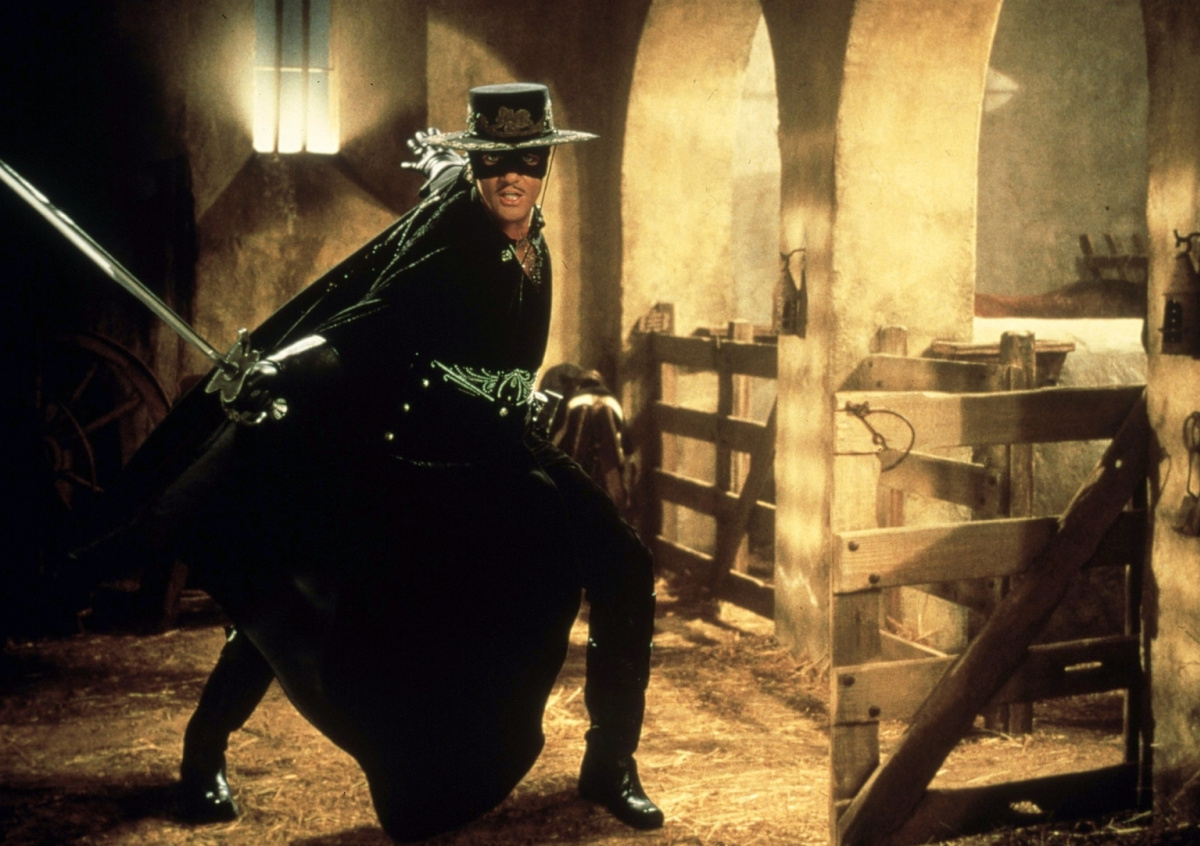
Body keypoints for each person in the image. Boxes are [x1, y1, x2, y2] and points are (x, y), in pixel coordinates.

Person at [90, 83, 663, 840]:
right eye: (493, 160)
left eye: (528, 158)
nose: (511, 175)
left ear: (548, 161)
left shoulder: (525, 232)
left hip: (503, 448)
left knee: (623, 565)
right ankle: (204, 752)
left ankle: (610, 762)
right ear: (476, 163)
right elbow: (362, 325)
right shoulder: (450, 245)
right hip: (421, 454)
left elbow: (462, 241)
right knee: (301, 594)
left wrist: (515, 394)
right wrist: (281, 367)